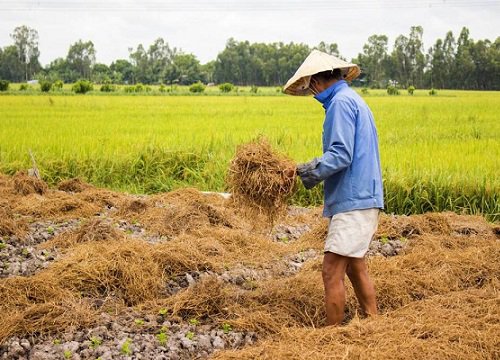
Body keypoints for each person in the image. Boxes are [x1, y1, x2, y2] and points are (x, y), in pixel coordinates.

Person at [283, 50, 384, 326]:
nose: (312, 92)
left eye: (311, 86)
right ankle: (373, 324)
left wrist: (301, 171)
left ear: (317, 81)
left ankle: (332, 338)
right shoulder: (354, 100)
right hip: (365, 196)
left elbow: (340, 154)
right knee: (354, 264)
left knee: (331, 271)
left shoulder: (340, 103)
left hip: (354, 200)